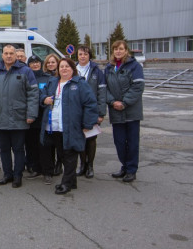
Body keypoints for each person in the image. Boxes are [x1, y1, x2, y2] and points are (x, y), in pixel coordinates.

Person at [0, 45, 38, 188]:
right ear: (2, 55)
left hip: (19, 116)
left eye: (11, 53)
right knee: (4, 149)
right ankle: (7, 174)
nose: (8, 56)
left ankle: (17, 175)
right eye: (6, 53)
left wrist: (31, 114)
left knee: (18, 149)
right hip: (1, 116)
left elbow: (33, 95)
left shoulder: (26, 71)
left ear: (16, 55)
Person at [39, 58, 98, 195]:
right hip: (54, 126)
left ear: (72, 69)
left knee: (70, 154)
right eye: (61, 67)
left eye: (67, 66)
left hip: (71, 126)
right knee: (62, 154)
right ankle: (72, 181)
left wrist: (88, 124)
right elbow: (41, 94)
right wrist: (44, 99)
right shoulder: (53, 82)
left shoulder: (79, 83)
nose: (64, 69)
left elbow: (90, 104)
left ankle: (66, 184)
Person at [105, 40, 144, 183]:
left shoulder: (135, 66)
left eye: (121, 49)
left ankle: (131, 170)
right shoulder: (109, 68)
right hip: (116, 111)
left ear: (126, 50)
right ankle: (124, 165)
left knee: (132, 142)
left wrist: (124, 102)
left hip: (131, 111)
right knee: (119, 142)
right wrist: (112, 101)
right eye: (115, 49)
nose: (118, 51)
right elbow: (105, 89)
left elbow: (138, 87)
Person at [75, 45, 106, 179]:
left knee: (91, 138)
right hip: (76, 111)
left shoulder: (96, 71)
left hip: (91, 110)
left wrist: (101, 113)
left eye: (85, 54)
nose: (82, 56)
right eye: (80, 54)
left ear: (89, 56)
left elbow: (102, 93)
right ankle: (82, 165)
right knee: (81, 138)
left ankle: (90, 166)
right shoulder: (73, 69)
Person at [25, 55, 51, 181]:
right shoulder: (27, 77)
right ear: (28, 65)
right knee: (32, 145)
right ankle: (35, 169)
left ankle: (47, 171)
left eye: (37, 62)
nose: (35, 65)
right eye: (32, 63)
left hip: (44, 117)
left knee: (45, 145)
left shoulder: (48, 78)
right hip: (31, 117)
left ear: (41, 64)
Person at [42, 53, 63, 176]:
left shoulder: (62, 77)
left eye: (53, 62)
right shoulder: (44, 76)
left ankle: (59, 164)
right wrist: (44, 98)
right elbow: (42, 93)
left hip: (58, 115)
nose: (50, 64)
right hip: (46, 113)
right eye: (48, 62)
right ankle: (51, 165)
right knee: (49, 144)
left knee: (59, 143)